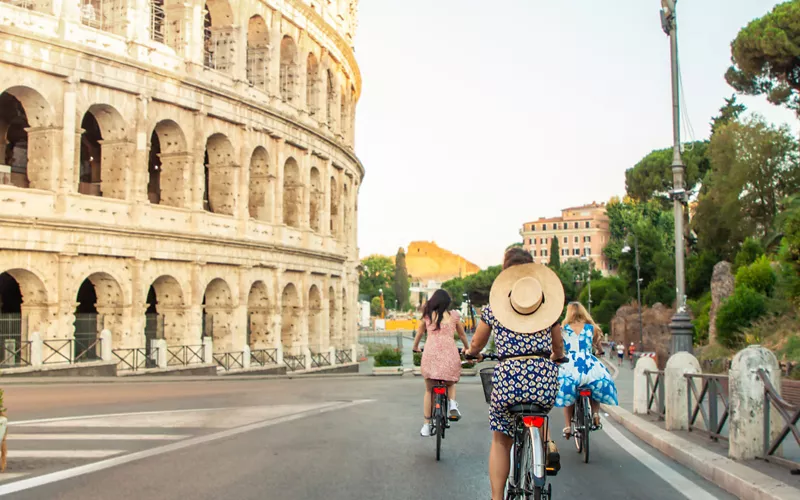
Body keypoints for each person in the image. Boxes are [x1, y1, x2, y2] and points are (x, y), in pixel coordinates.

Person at [464, 248, 565, 500]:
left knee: (500, 440)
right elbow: (558, 346)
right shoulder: (546, 304)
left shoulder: (494, 308)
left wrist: (471, 353)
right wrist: (556, 357)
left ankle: (497, 498)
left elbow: (476, 343)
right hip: (542, 379)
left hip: (508, 378)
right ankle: (546, 444)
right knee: (539, 412)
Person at [412, 289, 469, 437]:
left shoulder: (427, 316)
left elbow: (419, 333)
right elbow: (462, 334)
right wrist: (467, 348)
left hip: (431, 354)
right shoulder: (454, 316)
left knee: (429, 390)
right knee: (450, 383)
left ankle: (426, 425)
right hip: (450, 354)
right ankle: (452, 404)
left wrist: (415, 347)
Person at [555, 302, 618, 435]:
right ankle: (595, 414)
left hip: (571, 363)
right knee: (595, 383)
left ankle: (567, 426)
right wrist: (600, 352)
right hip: (588, 363)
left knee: (568, 391)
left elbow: (559, 347)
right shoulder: (591, 328)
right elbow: (599, 347)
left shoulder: (563, 329)